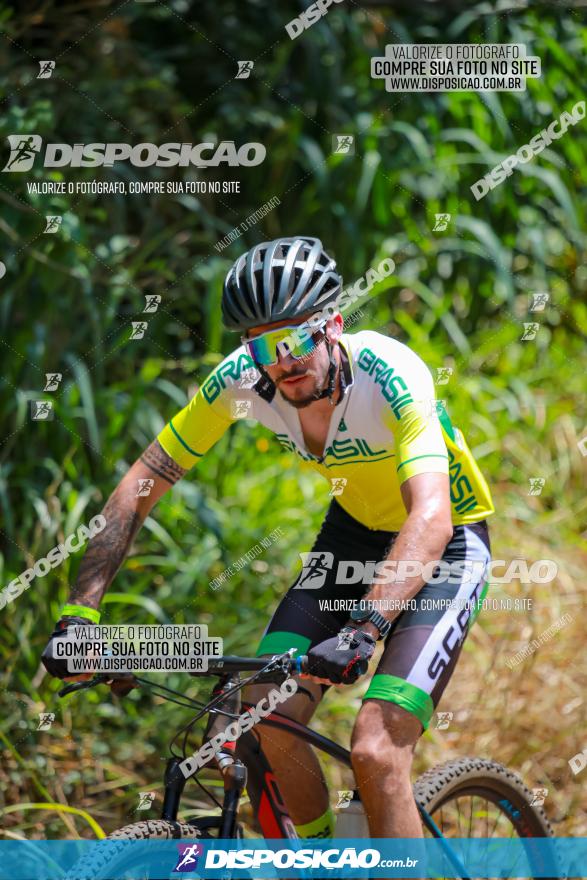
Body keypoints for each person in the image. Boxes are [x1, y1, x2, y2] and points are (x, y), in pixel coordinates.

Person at [42, 235, 494, 840]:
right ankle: (320, 861)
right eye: (264, 346)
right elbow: (139, 485)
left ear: (332, 324)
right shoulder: (239, 381)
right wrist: (79, 613)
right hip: (356, 533)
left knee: (377, 751)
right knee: (267, 713)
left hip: (447, 541)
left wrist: (365, 628)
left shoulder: (391, 371)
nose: (286, 360)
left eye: (299, 337)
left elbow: (431, 518)